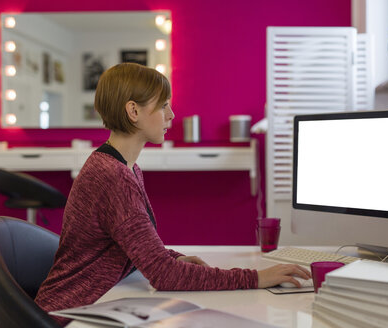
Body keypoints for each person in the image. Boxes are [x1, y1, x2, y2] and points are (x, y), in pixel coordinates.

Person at [35, 63, 310, 326]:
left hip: (91, 304)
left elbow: (136, 247)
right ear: (133, 111)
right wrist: (257, 278)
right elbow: (163, 276)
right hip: (67, 316)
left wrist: (172, 257)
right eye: (164, 105)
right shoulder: (112, 176)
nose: (172, 115)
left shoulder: (124, 167)